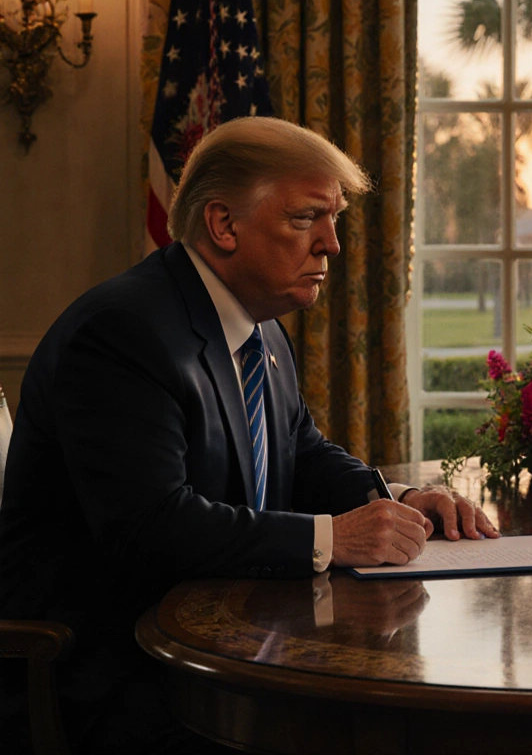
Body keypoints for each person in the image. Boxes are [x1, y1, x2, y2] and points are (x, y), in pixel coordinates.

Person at [0, 117, 499, 752]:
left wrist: (393, 501)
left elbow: (299, 451)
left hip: (217, 643)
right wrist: (334, 538)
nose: (332, 245)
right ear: (223, 224)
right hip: (115, 675)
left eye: (334, 218)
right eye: (305, 218)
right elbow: (150, 526)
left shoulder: (257, 324)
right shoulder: (124, 333)